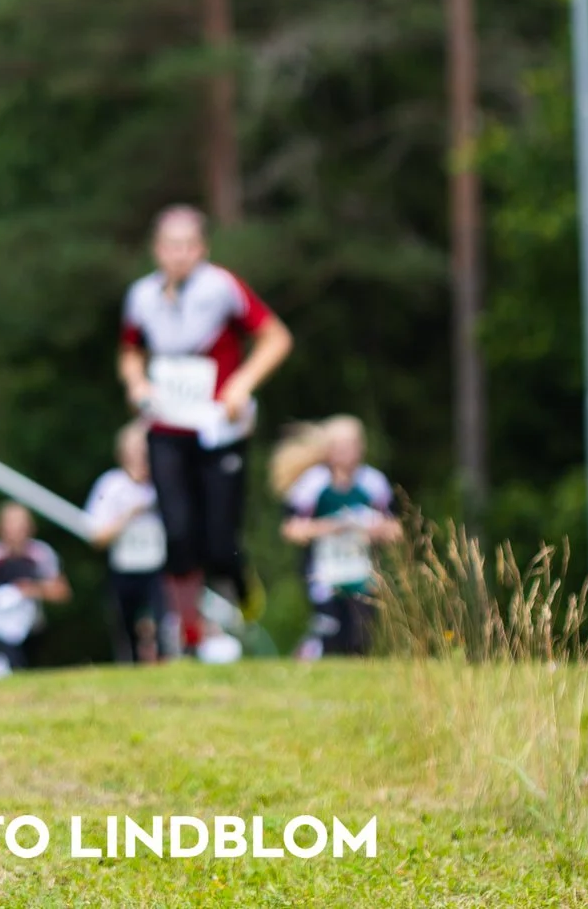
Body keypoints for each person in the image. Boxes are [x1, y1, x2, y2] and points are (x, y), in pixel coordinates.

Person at [116, 205, 292, 661]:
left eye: (188, 245)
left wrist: (242, 383)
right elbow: (130, 351)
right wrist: (136, 384)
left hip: (219, 430)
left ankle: (240, 589)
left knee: (219, 544)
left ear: (202, 248)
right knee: (177, 535)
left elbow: (276, 338)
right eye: (170, 246)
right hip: (167, 427)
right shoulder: (142, 296)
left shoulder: (222, 289)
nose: (179, 254)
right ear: (157, 249)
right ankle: (191, 634)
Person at [273, 416, 400, 659]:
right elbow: (291, 528)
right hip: (324, 573)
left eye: (351, 445)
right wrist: (332, 527)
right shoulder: (312, 485)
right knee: (330, 633)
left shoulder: (374, 483)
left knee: (361, 638)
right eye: (340, 446)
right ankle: (309, 652)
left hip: (362, 574)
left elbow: (396, 528)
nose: (346, 453)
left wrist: (373, 530)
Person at [82, 421, 166, 663]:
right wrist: (129, 515)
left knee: (162, 625)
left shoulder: (164, 481)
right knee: (126, 630)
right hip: (125, 568)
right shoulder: (111, 485)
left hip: (159, 567)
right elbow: (95, 535)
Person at [0, 501, 69, 676]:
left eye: (22, 524)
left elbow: (61, 591)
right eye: (12, 524)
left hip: (33, 628)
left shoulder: (42, 553)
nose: (17, 530)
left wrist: (30, 590)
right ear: (0, 528)